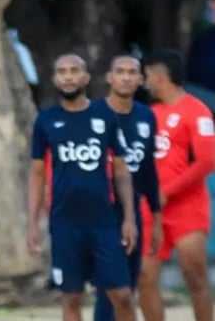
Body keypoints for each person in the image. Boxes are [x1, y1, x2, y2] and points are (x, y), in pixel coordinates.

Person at [28, 53, 138, 321]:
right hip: (64, 223)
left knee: (122, 295)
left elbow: (121, 169)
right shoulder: (46, 121)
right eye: (62, 71)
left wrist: (129, 218)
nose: (68, 76)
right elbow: (38, 173)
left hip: (103, 222)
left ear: (86, 77)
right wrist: (32, 223)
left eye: (74, 70)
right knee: (71, 298)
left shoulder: (105, 115)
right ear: (55, 79)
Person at [137, 48, 215, 321]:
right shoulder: (148, 115)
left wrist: (168, 191)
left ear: (159, 77)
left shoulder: (198, 111)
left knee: (195, 276)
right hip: (151, 209)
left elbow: (207, 161)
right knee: (144, 277)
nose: (145, 83)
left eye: (147, 76)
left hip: (187, 208)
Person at [94, 55, 163, 321]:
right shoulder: (94, 113)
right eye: (119, 71)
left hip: (131, 211)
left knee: (129, 286)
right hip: (99, 211)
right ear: (109, 78)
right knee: (110, 290)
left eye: (132, 72)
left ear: (141, 80)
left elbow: (147, 171)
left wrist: (156, 218)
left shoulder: (146, 116)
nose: (125, 77)